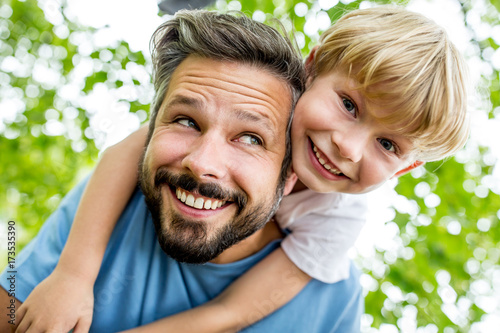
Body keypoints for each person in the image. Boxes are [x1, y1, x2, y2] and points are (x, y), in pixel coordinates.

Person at [3, 6, 470, 332]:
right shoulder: (160, 175)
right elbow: (130, 151)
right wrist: (74, 274)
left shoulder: (333, 233)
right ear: (311, 71)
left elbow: (229, 313)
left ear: (405, 170)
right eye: (348, 104)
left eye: (386, 144)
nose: (347, 147)